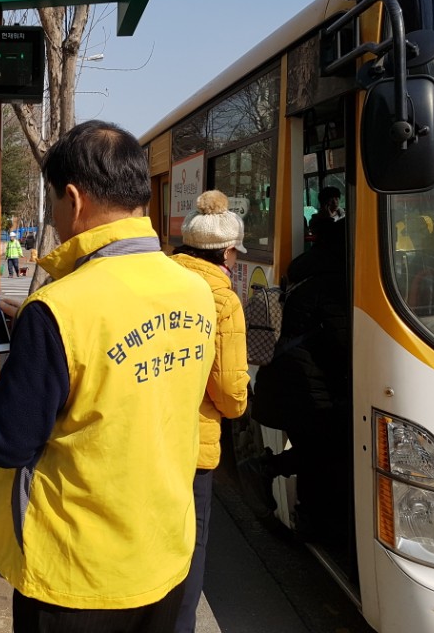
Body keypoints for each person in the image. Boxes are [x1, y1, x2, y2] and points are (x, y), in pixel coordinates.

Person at [0, 120, 217, 632]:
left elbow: (8, 440)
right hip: (164, 551)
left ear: (72, 200)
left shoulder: (59, 308)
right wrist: (32, 328)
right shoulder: (193, 289)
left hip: (77, 575)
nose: (54, 216)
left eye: (53, 202)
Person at [169, 190, 249, 633]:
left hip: (149, 435)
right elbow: (232, 396)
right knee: (191, 548)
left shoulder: (160, 277)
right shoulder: (223, 299)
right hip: (194, 448)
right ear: (228, 251)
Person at [241, 216, 350, 538]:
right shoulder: (333, 282)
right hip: (307, 389)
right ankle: (268, 471)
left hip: (287, 382)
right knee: (326, 452)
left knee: (317, 456)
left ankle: (311, 521)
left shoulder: (305, 272)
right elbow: (343, 339)